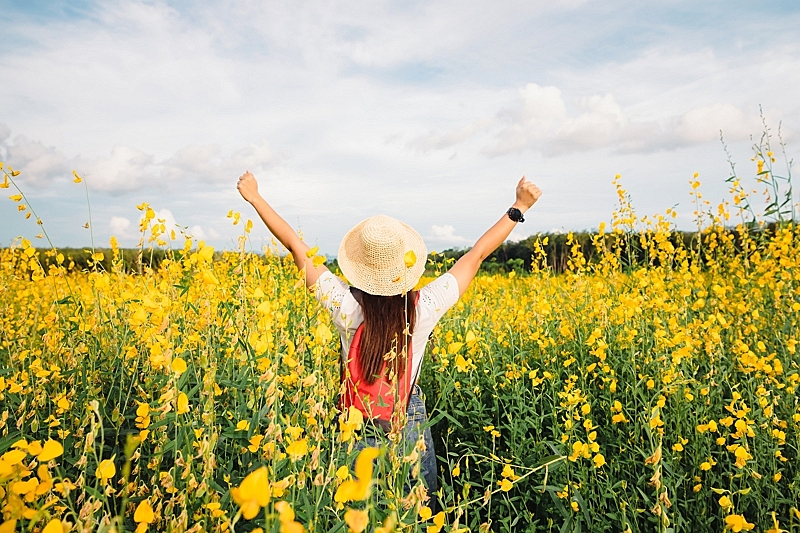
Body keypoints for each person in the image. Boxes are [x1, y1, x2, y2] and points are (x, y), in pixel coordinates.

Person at [236, 171, 542, 497]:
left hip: (354, 424)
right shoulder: (424, 308)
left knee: (358, 511)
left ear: (359, 266)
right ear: (407, 268)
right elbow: (476, 255)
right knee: (413, 511)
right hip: (406, 422)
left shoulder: (345, 307)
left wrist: (255, 197)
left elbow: (295, 246)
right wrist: (518, 206)